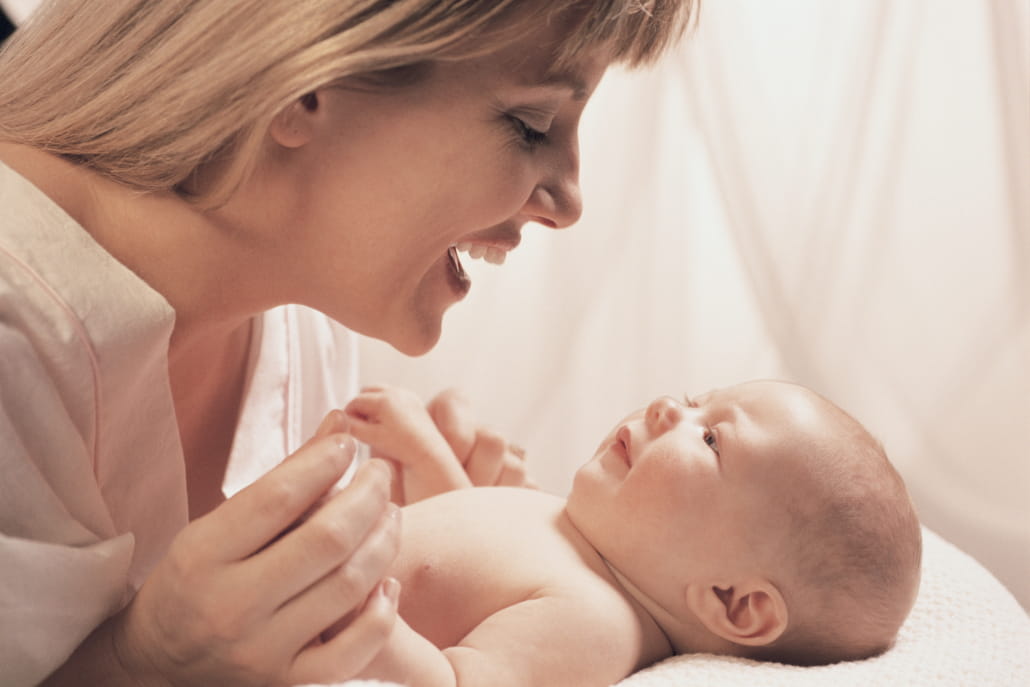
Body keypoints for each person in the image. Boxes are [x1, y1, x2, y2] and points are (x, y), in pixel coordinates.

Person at [0, 1, 696, 685]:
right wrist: (139, 664)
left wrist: (444, 569)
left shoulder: (299, 319)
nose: (569, 203)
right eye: (531, 124)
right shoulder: (17, 334)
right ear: (302, 85)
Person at [339, 379, 924, 685]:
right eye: (699, 401)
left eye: (712, 440)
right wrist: (425, 455)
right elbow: (466, 554)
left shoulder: (593, 621)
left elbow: (460, 678)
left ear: (733, 603)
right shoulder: (577, 535)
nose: (669, 406)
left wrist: (371, 624)